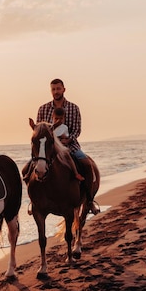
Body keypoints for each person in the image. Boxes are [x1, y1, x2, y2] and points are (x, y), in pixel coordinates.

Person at [36, 78, 99, 214]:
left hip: (70, 145)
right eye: (53, 89)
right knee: (30, 167)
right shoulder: (43, 109)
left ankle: (89, 200)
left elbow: (77, 129)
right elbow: (39, 131)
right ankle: (34, 201)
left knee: (86, 164)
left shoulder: (73, 108)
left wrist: (68, 140)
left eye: (58, 88)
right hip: (49, 148)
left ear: (64, 89)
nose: (56, 91)